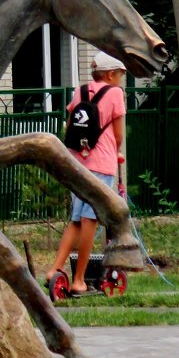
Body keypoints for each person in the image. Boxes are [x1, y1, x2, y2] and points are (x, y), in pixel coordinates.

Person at [45, 52, 127, 295]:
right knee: (90, 219)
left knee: (76, 219)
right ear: (111, 74)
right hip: (101, 163)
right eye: (121, 75)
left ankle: (55, 269)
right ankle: (79, 279)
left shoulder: (79, 92)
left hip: (75, 163)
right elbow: (119, 134)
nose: (121, 80)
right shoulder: (115, 94)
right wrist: (117, 151)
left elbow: (70, 126)